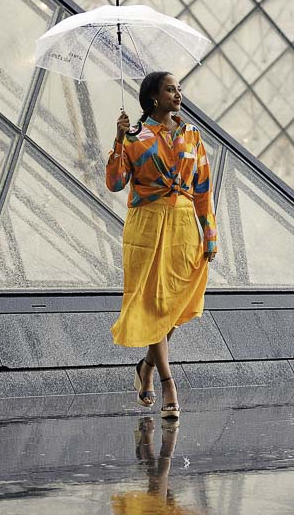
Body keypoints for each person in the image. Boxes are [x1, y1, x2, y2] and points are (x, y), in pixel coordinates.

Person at [106, 71, 218, 421]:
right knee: (154, 302)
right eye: (171, 89)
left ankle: (147, 366)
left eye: (179, 89)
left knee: (174, 306)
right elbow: (115, 182)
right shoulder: (135, 136)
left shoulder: (192, 136)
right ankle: (168, 382)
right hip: (148, 225)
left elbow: (202, 188)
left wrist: (209, 232)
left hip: (184, 227)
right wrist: (119, 139)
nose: (178, 94)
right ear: (154, 97)